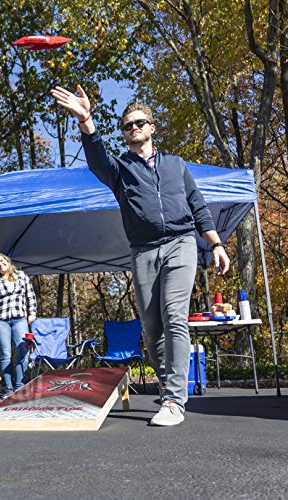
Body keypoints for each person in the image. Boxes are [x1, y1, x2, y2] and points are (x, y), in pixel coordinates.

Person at [50, 85, 230, 426]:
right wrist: (85, 119)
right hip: (144, 250)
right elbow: (97, 159)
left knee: (175, 316)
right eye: (127, 125)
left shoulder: (176, 166)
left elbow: (198, 205)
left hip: (181, 243)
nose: (133, 129)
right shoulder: (121, 171)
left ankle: (176, 400)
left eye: (139, 123)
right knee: (151, 327)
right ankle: (167, 385)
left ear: (151, 127)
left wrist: (216, 244)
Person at [0, 253, 37, 399]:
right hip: (0, 320)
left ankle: (20, 385)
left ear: (7, 261)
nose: (0, 264)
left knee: (23, 350)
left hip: (20, 319)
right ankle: (9, 388)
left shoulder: (21, 275)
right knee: (6, 354)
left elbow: (30, 295)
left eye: (1, 261)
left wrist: (32, 313)